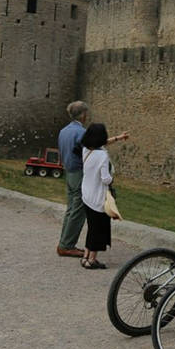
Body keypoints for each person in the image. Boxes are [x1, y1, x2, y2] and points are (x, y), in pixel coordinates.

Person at [56, 101, 128, 258]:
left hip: (69, 173)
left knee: (71, 210)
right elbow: (97, 144)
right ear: (84, 115)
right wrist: (118, 138)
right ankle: (67, 245)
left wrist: (117, 138)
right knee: (77, 212)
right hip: (79, 174)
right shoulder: (81, 133)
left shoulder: (64, 131)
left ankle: (64, 242)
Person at [80, 123, 116, 270]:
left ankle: (85, 256)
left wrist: (118, 138)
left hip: (86, 194)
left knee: (91, 227)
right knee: (98, 229)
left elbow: (102, 144)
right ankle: (92, 260)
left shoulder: (85, 150)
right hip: (97, 197)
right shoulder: (102, 155)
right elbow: (105, 178)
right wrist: (112, 179)